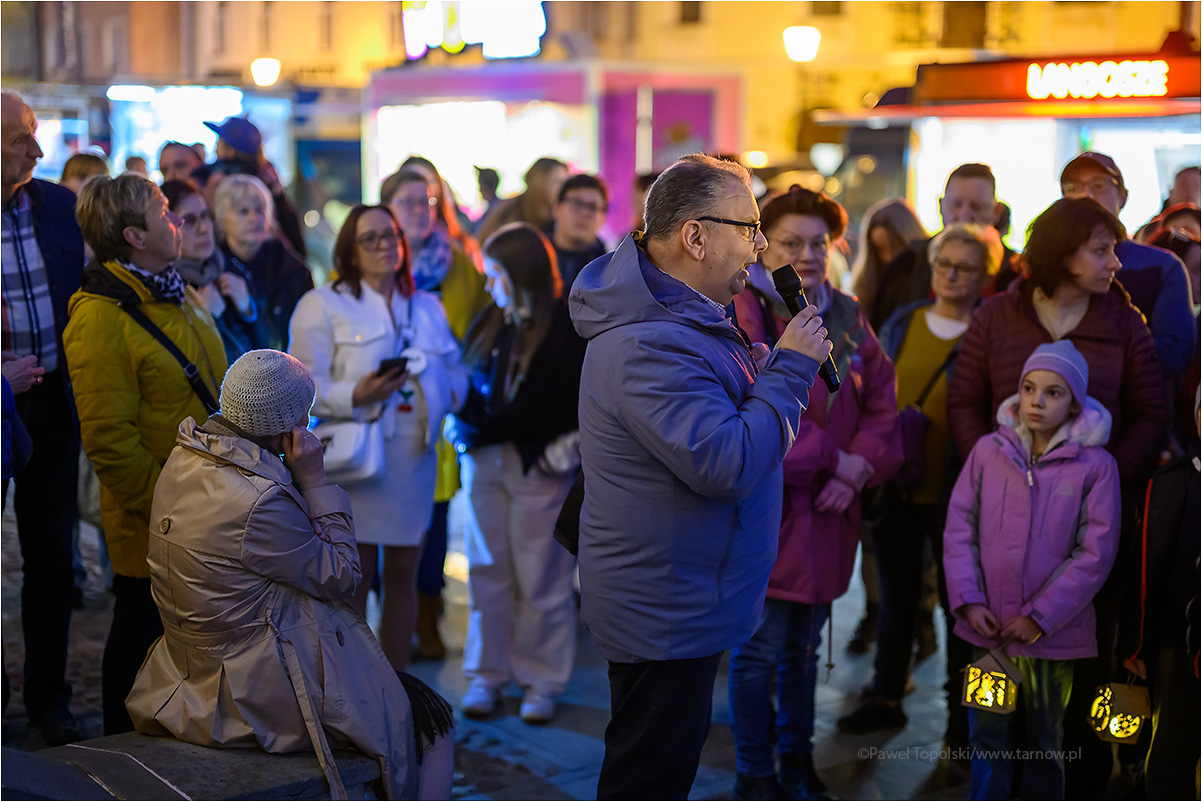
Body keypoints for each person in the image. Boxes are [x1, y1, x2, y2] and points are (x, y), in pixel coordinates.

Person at [569, 154, 833, 799]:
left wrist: (757, 376)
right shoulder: (647, 341)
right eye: (750, 229)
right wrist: (791, 371)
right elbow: (727, 462)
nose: (761, 247)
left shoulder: (685, 314)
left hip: (683, 590)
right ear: (695, 237)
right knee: (647, 780)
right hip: (664, 606)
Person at [125, 350, 454, 799]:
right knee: (431, 718)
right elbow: (343, 575)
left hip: (188, 671)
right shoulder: (257, 500)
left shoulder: (184, 458)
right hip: (248, 693)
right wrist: (315, 480)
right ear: (286, 428)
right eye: (307, 414)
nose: (310, 422)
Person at [946, 196, 1167, 799]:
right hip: (997, 534)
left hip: (1084, 531)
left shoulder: (1123, 320)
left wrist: (1103, 480)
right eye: (1101, 250)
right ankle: (982, 778)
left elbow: (1151, 413)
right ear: (1062, 253)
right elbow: (964, 400)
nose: (1115, 262)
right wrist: (990, 466)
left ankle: (1079, 782)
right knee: (989, 693)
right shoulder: (999, 314)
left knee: (1071, 691)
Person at [728, 187, 901, 800]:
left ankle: (797, 761)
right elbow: (751, 410)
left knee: (805, 650)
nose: (807, 255)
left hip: (831, 514)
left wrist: (857, 469)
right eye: (791, 242)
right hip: (772, 513)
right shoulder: (744, 312)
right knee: (758, 653)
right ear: (761, 247)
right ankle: (754, 772)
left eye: (818, 243)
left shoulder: (846, 315)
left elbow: (883, 402)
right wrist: (833, 460)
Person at [65, 173, 228, 733]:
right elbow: (109, 442)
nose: (176, 220)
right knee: (139, 632)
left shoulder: (175, 291)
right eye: (164, 212)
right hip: (158, 520)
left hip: (203, 504)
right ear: (135, 236)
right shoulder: (100, 316)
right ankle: (122, 750)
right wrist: (171, 510)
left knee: (183, 641)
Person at [837, 223, 1002, 750]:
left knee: (963, 610)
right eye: (943, 263)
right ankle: (887, 696)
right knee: (896, 597)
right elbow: (873, 389)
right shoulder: (905, 320)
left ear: (984, 275)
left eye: (965, 267)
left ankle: (962, 722)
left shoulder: (990, 329)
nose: (951, 275)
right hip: (899, 485)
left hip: (961, 492)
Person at [289, 204, 466, 672]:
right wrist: (356, 394)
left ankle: (396, 685)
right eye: (370, 238)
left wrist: (441, 392)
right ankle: (351, 687)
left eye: (391, 235)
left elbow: (457, 372)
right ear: (350, 250)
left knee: (405, 576)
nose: (385, 244)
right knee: (354, 578)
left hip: (413, 456)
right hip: (353, 460)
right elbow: (302, 384)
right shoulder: (322, 304)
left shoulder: (425, 306)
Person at [945, 341, 1120, 800]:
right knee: (987, 733)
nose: (1037, 401)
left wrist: (1040, 617)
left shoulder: (1095, 468)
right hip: (990, 630)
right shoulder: (989, 452)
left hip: (1053, 638)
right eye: (1029, 388)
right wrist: (970, 600)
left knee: (1045, 739)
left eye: (1053, 392)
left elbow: (1094, 554)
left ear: (1075, 403)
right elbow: (960, 529)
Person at [447, 223, 586, 725]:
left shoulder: (564, 329)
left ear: (522, 275)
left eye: (496, 274)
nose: (489, 284)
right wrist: (459, 424)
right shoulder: (494, 320)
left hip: (535, 463)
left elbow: (569, 404)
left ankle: (540, 680)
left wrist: (561, 453)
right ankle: (487, 674)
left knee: (542, 578)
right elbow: (470, 387)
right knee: (487, 570)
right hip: (486, 459)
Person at [1, 89, 86, 745]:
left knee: (53, 556)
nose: (36, 149)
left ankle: (48, 700)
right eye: (18, 139)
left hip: (52, 404)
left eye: (34, 133)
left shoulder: (58, 205)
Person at [380, 167, 490, 660]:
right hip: (384, 417)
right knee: (384, 523)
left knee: (436, 518)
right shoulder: (369, 263)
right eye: (406, 201)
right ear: (386, 208)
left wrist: (459, 383)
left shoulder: (459, 263)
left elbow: (482, 330)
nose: (418, 210)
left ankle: (428, 614)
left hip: (442, 416)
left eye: (426, 200)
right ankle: (388, 624)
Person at [1118, 388, 1200, 800]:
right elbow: (1148, 569)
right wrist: (1137, 643)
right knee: (1167, 760)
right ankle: (1130, 768)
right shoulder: (1174, 481)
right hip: (1174, 645)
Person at [1059, 151, 1195, 380]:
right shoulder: (1047, 264)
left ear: (1123, 197)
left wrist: (1089, 350)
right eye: (1073, 187)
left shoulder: (1161, 266)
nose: (1086, 195)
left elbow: (1175, 352)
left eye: (1099, 185)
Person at [870, 163, 1017, 329]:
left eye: (976, 207)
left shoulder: (1015, 271)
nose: (964, 216)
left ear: (996, 212)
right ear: (940, 206)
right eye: (956, 205)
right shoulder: (909, 263)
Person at [160, 179, 271, 364]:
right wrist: (206, 320)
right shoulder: (167, 288)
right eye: (189, 221)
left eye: (205, 216)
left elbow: (270, 350)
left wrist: (248, 309)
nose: (203, 228)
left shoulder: (229, 269)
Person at [213, 173, 312, 350]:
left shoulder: (291, 269)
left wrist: (248, 307)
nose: (254, 218)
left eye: (260, 210)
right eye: (243, 211)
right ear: (222, 216)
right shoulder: (211, 270)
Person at [201, 115, 307, 258]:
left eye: (219, 142)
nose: (215, 149)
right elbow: (296, 240)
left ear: (230, 149)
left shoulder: (219, 182)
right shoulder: (268, 180)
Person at [850, 197, 927, 316]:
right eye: (879, 249)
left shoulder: (929, 280)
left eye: (895, 247)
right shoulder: (867, 287)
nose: (888, 257)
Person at [475, 157, 568, 244]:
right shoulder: (510, 212)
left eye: (566, 183)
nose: (565, 189)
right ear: (539, 182)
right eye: (557, 182)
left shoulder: (561, 221)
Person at [546, 173, 609, 290]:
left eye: (592, 207)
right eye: (577, 203)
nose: (584, 213)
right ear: (557, 208)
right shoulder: (536, 256)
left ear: (602, 217)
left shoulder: (611, 270)